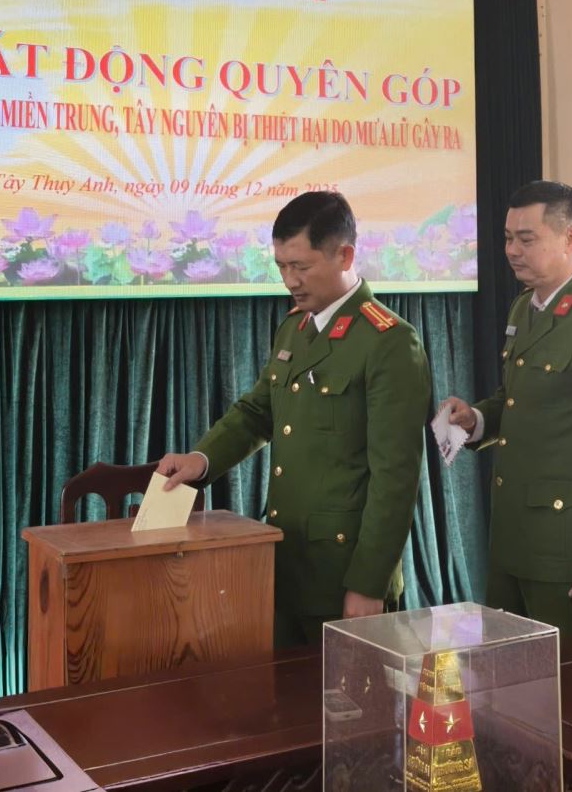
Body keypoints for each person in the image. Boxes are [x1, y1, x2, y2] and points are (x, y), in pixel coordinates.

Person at [156, 191, 431, 648]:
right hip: (285, 562)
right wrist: (202, 459)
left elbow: (396, 478)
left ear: (345, 256)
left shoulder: (389, 342)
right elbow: (258, 411)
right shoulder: (294, 328)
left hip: (344, 575)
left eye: (301, 266)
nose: (289, 280)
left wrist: (369, 582)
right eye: (281, 266)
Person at [440, 180, 572, 637]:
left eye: (526, 239)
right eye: (508, 238)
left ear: (571, 237)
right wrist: (477, 419)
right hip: (513, 538)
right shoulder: (524, 308)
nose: (512, 251)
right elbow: (517, 401)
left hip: (567, 547)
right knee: (506, 669)